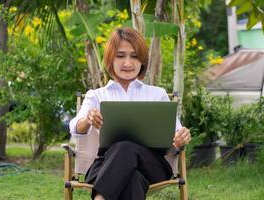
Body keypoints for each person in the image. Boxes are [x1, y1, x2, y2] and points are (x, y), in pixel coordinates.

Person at [69, 27, 191, 200]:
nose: (128, 63)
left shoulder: (157, 94)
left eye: (134, 56)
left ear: (142, 60)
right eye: (120, 56)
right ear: (110, 59)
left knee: (125, 146)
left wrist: (182, 136)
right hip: (106, 165)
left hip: (153, 165)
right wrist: (88, 119)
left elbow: (176, 133)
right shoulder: (96, 95)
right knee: (133, 178)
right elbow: (75, 126)